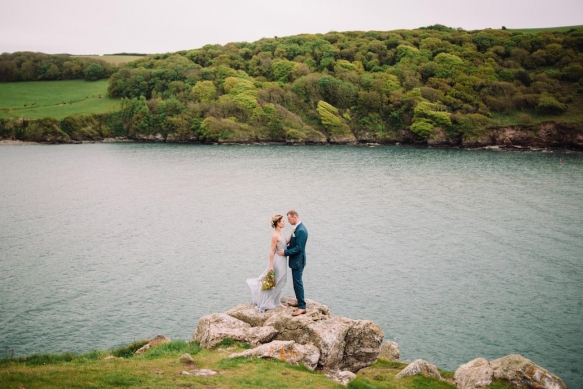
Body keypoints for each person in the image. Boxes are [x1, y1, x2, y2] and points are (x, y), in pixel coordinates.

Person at [246, 215, 288, 313]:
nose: (284, 223)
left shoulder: (280, 233)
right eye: (282, 221)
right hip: (278, 261)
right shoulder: (275, 235)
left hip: (283, 260)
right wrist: (271, 265)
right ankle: (269, 302)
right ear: (278, 223)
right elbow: (272, 250)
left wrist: (294, 235)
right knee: (277, 280)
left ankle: (276, 301)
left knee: (282, 280)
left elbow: (284, 243)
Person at [277, 210, 308, 316]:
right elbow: (294, 244)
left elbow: (299, 248)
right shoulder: (297, 229)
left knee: (298, 282)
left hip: (298, 260)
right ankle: (299, 302)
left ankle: (302, 307)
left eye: (289, 219)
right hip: (296, 260)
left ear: (295, 217)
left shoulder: (301, 231)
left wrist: (285, 252)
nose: (288, 221)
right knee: (296, 283)